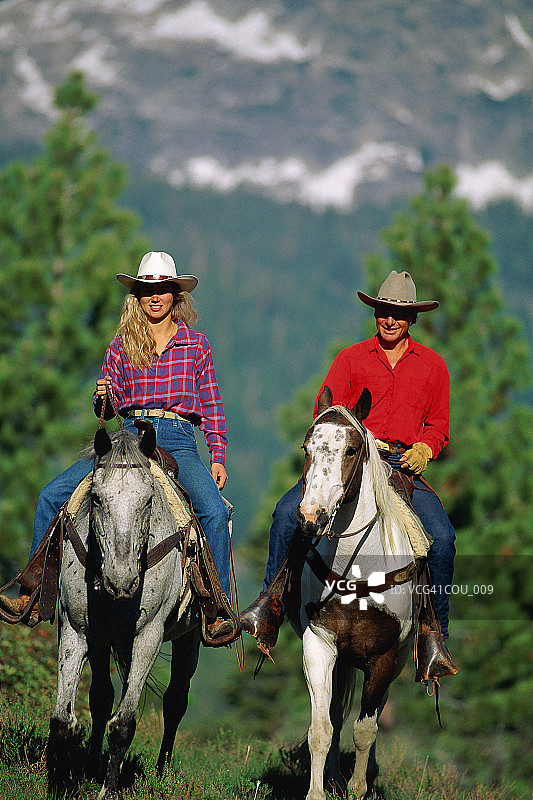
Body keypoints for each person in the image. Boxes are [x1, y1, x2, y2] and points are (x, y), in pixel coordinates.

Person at [0, 252, 233, 638]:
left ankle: (216, 610)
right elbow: (105, 410)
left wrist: (218, 456)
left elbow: (211, 405)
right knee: (49, 496)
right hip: (126, 437)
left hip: (178, 438)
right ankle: (32, 591)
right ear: (137, 296)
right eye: (146, 291)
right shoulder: (120, 345)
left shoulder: (196, 345)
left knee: (212, 511)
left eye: (162, 290)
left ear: (176, 294)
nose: (154, 297)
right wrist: (103, 398)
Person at [241, 269, 456, 648]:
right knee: (285, 515)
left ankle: (433, 636)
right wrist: (349, 445)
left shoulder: (433, 365)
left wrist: (425, 449)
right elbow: (323, 415)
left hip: (401, 468)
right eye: (383, 312)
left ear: (412, 319)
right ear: (376, 314)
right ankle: (270, 604)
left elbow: (438, 424)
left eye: (398, 314)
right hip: (350, 462)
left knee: (442, 536)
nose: (389, 320)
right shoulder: (351, 358)